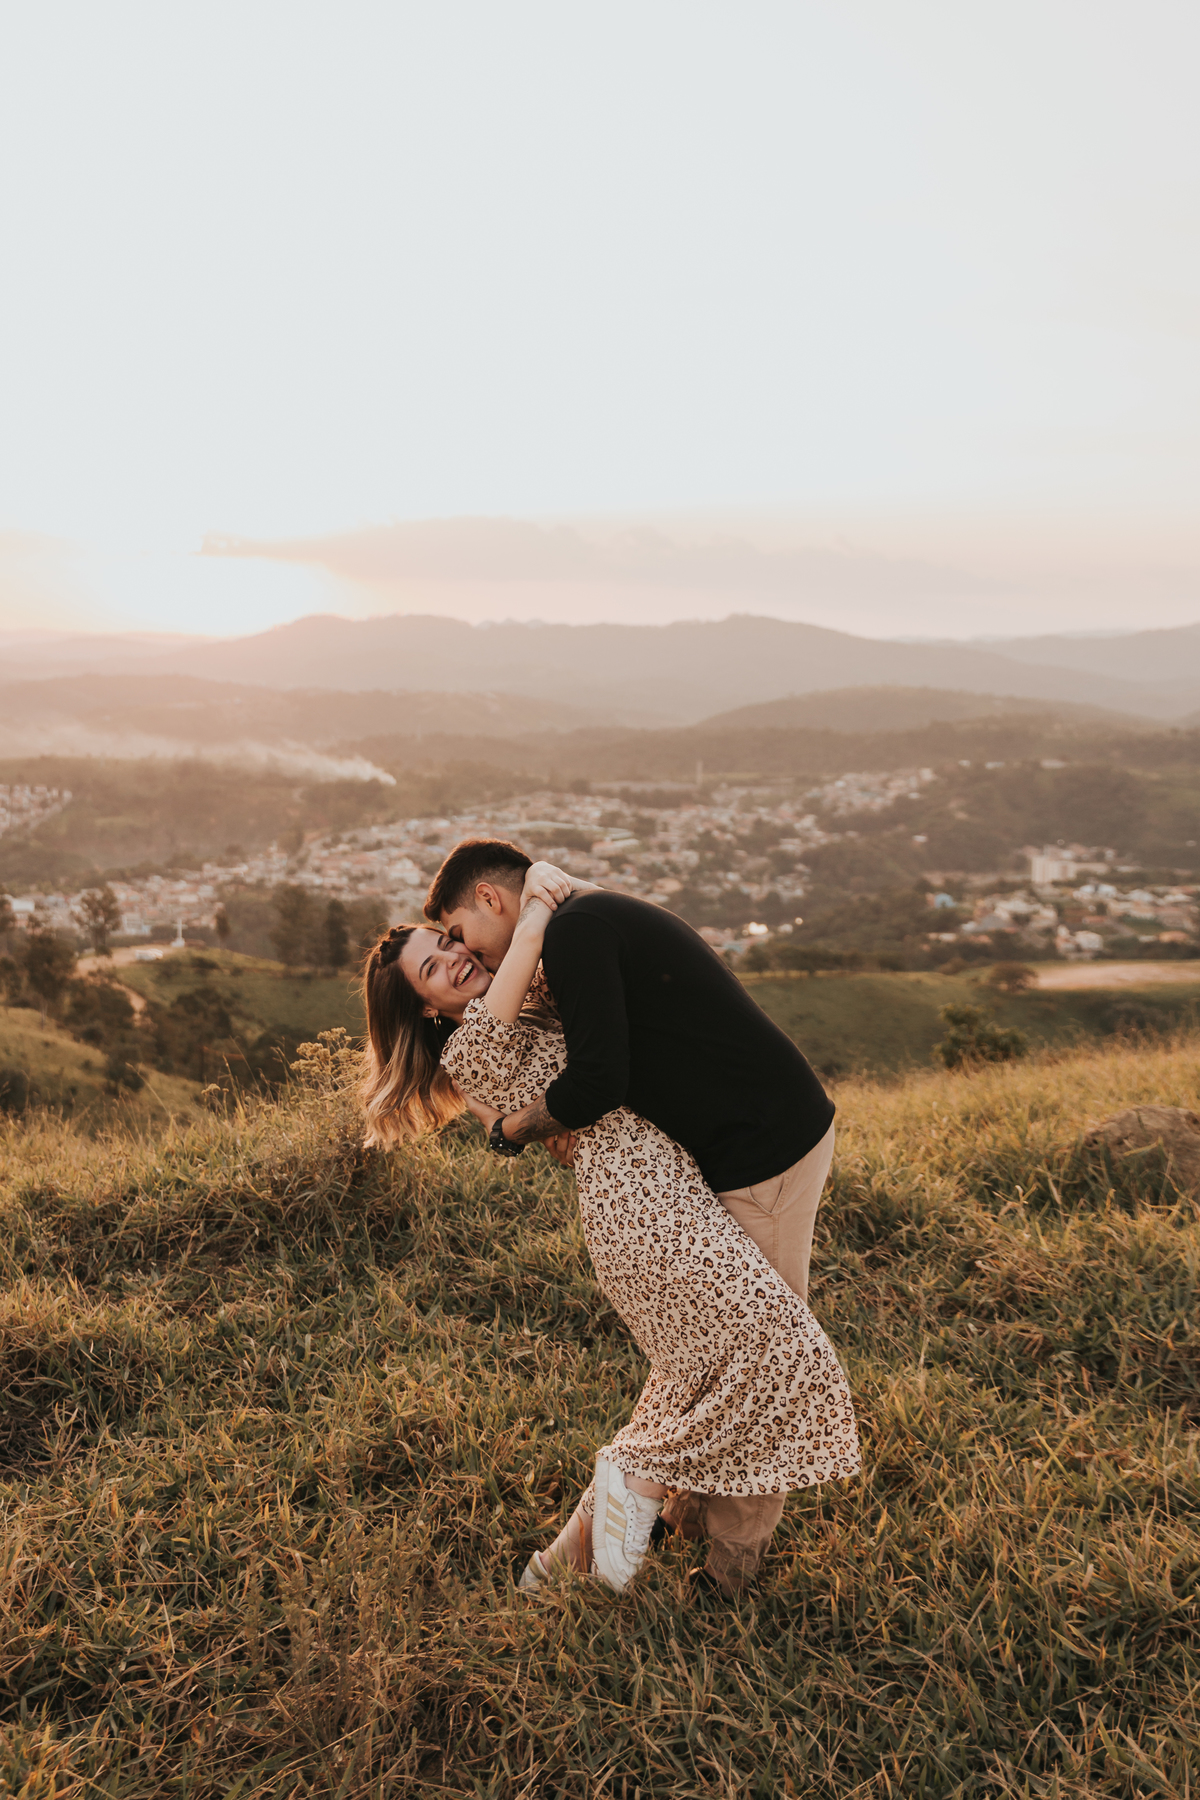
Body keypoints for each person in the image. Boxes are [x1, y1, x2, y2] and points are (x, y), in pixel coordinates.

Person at [359, 842, 858, 1596]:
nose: (458, 957)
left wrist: (553, 896)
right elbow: (562, 1066)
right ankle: (651, 1537)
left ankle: (563, 1568)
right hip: (645, 1213)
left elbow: (613, 962)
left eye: (451, 939)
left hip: (677, 1188)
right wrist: (535, 906)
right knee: (772, 1355)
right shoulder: (474, 1043)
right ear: (427, 1007)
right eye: (438, 963)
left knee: (698, 1378)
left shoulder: (533, 990)